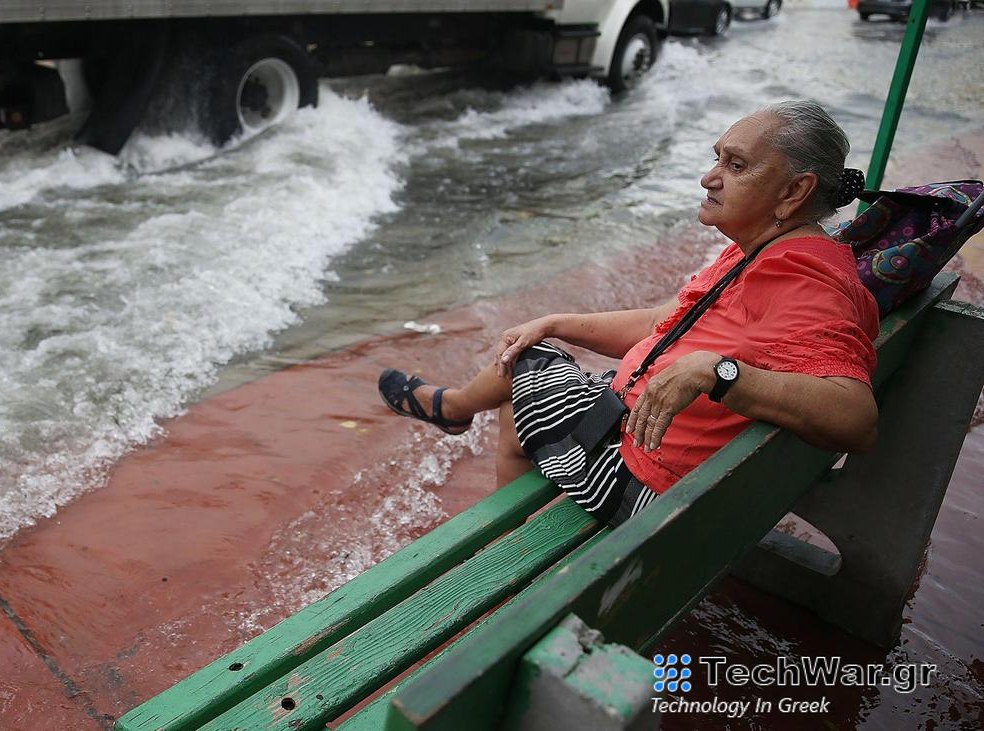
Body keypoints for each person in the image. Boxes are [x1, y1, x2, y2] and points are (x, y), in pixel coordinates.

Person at [377, 100, 880, 527]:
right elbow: (665, 324)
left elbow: (855, 418)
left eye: (736, 166)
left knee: (525, 369)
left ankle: (476, 473)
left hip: (643, 483)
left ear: (794, 191)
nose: (709, 178)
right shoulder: (768, 248)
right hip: (650, 444)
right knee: (534, 365)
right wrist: (557, 322)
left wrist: (718, 372)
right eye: (716, 160)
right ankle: (471, 444)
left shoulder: (800, 277)